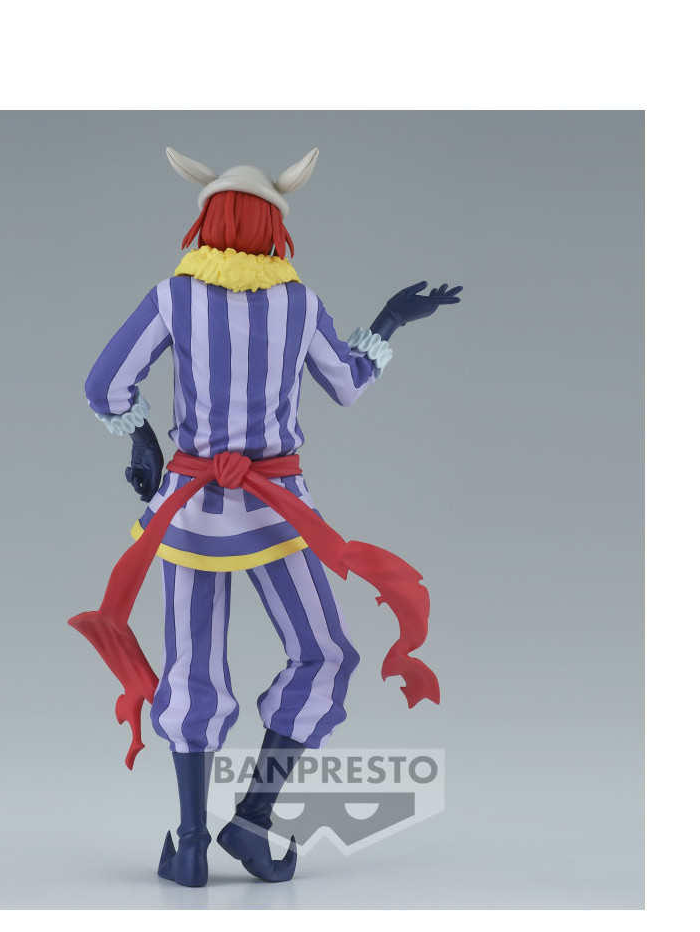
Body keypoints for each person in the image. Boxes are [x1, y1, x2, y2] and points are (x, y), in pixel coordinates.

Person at [71, 147, 461, 887]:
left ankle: (191, 844)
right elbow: (347, 383)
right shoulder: (299, 304)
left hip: (190, 512)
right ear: (276, 228)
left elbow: (104, 386)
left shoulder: (174, 298)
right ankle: (251, 820)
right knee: (324, 654)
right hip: (277, 513)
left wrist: (144, 441)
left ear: (206, 223)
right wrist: (391, 320)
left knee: (191, 669)